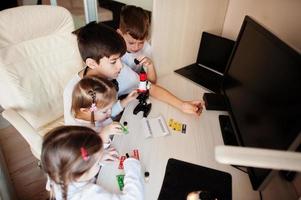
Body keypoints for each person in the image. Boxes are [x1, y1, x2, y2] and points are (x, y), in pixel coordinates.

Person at [64, 22, 202, 125]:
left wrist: (181, 104)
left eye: (120, 58)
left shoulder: (118, 71)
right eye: (113, 61)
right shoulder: (74, 92)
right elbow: (76, 142)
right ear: (92, 63)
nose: (120, 65)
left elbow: (150, 87)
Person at [41, 125, 144, 200]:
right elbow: (134, 197)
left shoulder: (56, 169)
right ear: (82, 171)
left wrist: (98, 158)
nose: (99, 161)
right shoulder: (89, 195)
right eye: (97, 162)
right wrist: (132, 166)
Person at [71, 76, 137, 148]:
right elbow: (95, 152)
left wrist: (126, 100)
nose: (110, 112)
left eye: (110, 108)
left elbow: (111, 112)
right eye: (105, 111)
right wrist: (104, 133)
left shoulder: (93, 114)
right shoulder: (80, 133)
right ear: (85, 110)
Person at [117, 5, 157, 83]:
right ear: (120, 34)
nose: (136, 47)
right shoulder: (113, 51)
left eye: (141, 42)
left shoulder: (146, 48)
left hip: (135, 86)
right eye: (131, 43)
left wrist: (150, 65)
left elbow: (152, 83)